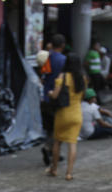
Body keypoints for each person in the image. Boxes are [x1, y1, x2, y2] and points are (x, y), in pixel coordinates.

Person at [46, 53, 86, 180]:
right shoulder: (82, 78)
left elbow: (55, 96)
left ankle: (54, 169)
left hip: (63, 114)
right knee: (72, 143)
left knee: (57, 142)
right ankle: (69, 173)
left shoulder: (62, 77)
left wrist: (50, 92)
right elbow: (82, 96)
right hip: (77, 114)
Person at [41, 34, 68, 167]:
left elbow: (43, 77)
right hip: (57, 97)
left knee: (49, 127)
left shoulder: (47, 59)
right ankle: (50, 149)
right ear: (63, 45)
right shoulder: (64, 60)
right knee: (58, 126)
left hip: (46, 96)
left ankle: (50, 149)